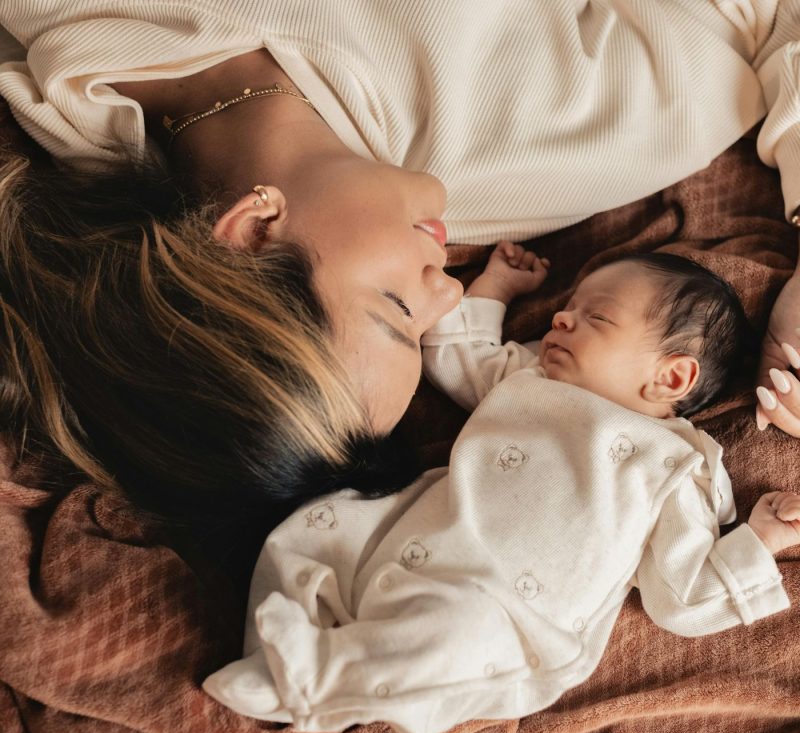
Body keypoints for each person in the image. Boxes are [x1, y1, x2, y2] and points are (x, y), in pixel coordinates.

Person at [2, 1, 800, 523]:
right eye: (427, 329)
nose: (449, 290)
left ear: (252, 231)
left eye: (394, 308)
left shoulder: (67, 43)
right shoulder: (543, 137)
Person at [202, 245, 800, 733]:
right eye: (567, 308)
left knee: (446, 638)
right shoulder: (534, 375)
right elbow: (457, 357)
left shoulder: (678, 465)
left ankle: (313, 684)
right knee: (314, 528)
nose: (562, 320)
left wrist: (759, 539)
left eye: (597, 318)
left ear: (671, 376)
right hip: (416, 531)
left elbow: (682, 594)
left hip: (511, 614)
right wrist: (496, 287)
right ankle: (272, 649)